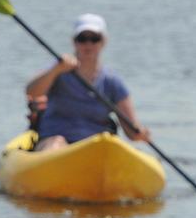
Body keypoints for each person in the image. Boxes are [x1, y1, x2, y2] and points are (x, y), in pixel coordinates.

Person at [25, 13, 150, 152]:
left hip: (95, 146)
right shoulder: (59, 69)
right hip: (56, 142)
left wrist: (141, 133)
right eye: (82, 38)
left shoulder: (112, 81)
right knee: (56, 143)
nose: (88, 44)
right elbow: (32, 91)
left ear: (103, 42)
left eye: (94, 39)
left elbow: (132, 132)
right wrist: (56, 70)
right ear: (74, 42)